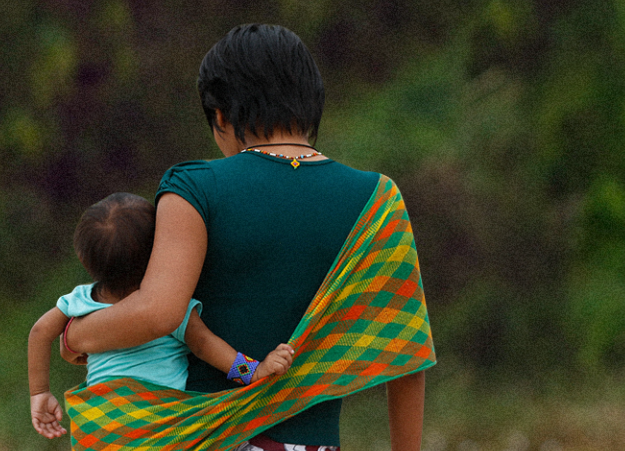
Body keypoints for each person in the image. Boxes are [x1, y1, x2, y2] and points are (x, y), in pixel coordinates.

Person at [64, 23, 426, 451]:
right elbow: (407, 353)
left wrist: (75, 335)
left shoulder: (194, 186)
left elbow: (159, 312)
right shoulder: (378, 200)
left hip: (207, 437)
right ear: (312, 102)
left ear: (221, 116)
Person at [27, 192, 297, 439]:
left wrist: (40, 393)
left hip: (101, 425)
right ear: (158, 251)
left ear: (83, 259)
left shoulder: (78, 302)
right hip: (156, 424)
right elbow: (206, 345)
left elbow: (40, 332)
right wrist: (255, 371)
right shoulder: (170, 305)